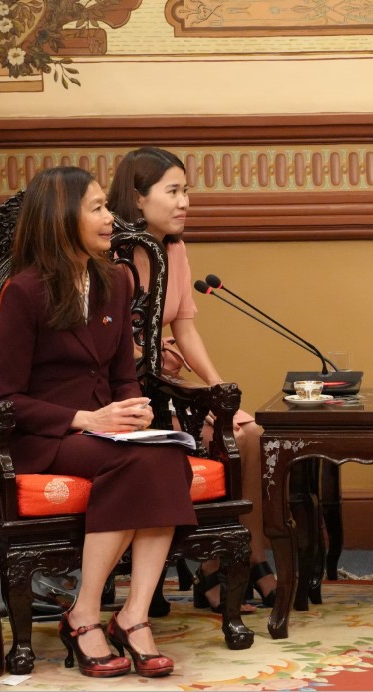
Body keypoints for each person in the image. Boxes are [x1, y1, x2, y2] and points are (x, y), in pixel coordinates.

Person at [0, 166, 194, 678]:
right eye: (98, 208)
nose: (111, 219)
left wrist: (135, 409)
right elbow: (6, 399)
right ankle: (84, 614)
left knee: (168, 455)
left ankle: (133, 615)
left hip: (107, 431)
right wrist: (85, 418)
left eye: (107, 206)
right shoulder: (24, 291)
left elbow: (124, 374)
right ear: (63, 217)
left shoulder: (116, 281)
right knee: (136, 462)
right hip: (48, 438)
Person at [107, 147, 275, 612]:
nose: (185, 203)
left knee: (249, 433)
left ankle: (246, 560)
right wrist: (147, 354)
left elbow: (185, 328)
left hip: (166, 386)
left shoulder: (174, 249)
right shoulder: (111, 254)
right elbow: (101, 338)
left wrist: (220, 392)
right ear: (138, 198)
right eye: (173, 192)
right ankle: (219, 570)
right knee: (219, 439)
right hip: (123, 394)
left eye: (187, 191)